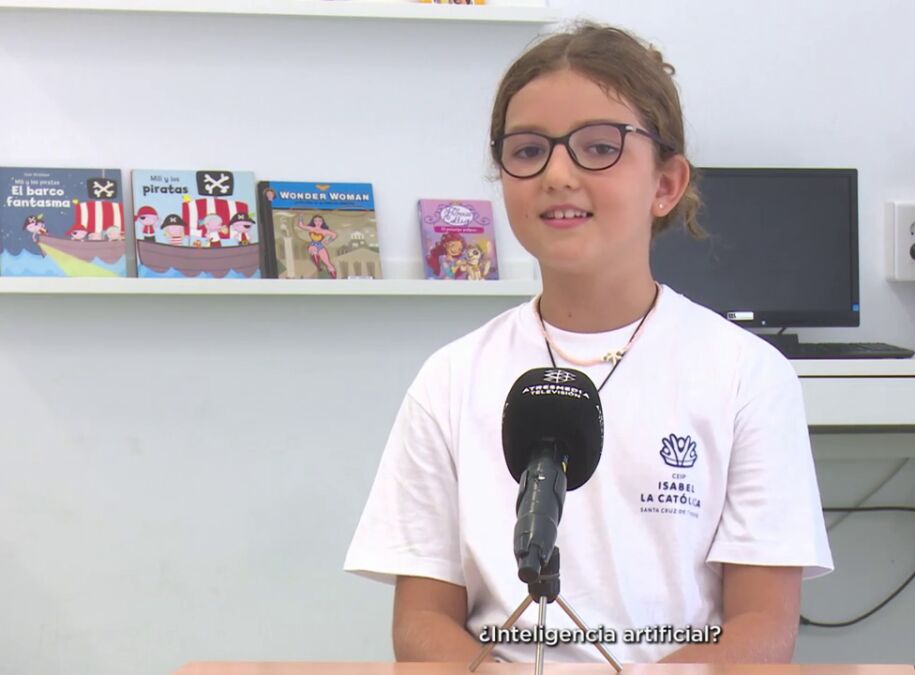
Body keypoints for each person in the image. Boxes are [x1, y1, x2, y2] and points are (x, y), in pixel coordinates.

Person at [344, 21, 833, 665]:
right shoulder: (452, 378)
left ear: (666, 184)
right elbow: (422, 622)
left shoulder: (746, 374)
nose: (557, 174)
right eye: (527, 151)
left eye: (599, 147)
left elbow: (762, 626)